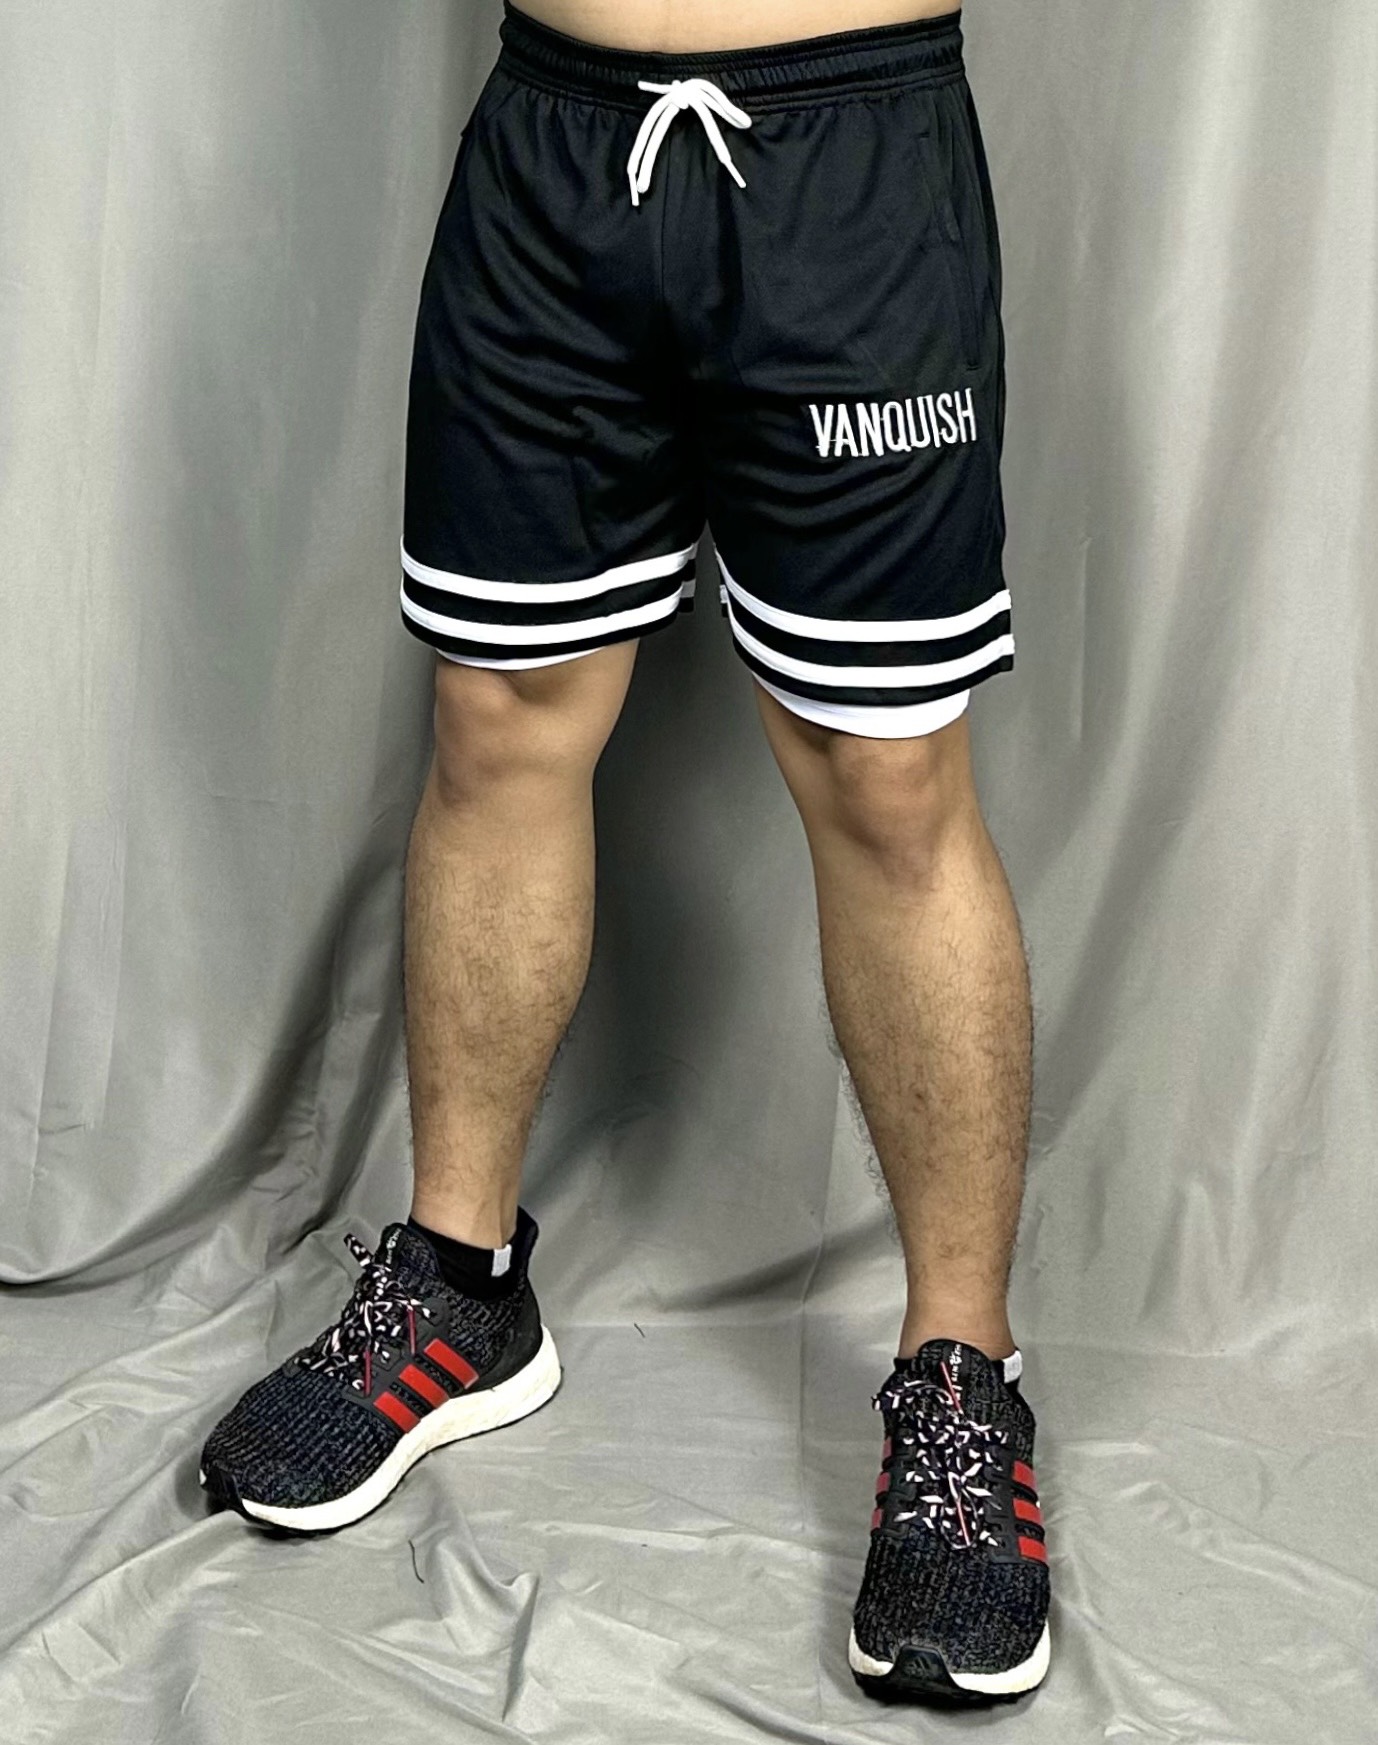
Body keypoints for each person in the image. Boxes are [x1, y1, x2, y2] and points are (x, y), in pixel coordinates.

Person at [201, 0, 1051, 1706]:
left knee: (886, 778)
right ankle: (460, 1287)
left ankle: (962, 1378)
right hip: (553, 145)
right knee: (499, 715)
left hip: (845, 149)